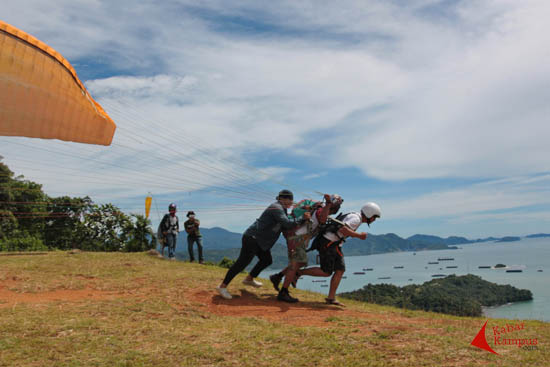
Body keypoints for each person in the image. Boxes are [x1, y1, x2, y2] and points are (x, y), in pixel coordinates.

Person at [216, 190, 310, 300]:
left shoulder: (282, 209)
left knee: (266, 260)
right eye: (290, 200)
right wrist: (302, 218)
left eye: (292, 200)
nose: (291, 202)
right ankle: (222, 287)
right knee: (241, 263)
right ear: (283, 199)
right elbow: (287, 224)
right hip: (253, 238)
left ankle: (249, 279)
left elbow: (287, 222)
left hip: (260, 241)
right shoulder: (276, 208)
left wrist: (301, 213)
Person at [299, 202, 381, 306]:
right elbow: (343, 229)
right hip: (329, 243)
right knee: (326, 272)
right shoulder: (356, 219)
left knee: (340, 270)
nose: (374, 220)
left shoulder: (355, 216)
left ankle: (331, 298)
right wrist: (359, 236)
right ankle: (298, 273)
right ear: (369, 214)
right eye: (374, 217)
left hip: (334, 244)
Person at [270, 194, 343, 303]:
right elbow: (322, 219)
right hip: (297, 237)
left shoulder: (318, 208)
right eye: (338, 206)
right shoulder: (321, 210)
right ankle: (283, 292)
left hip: (297, 237)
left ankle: (278, 276)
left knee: (300, 263)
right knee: (296, 264)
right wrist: (328, 205)